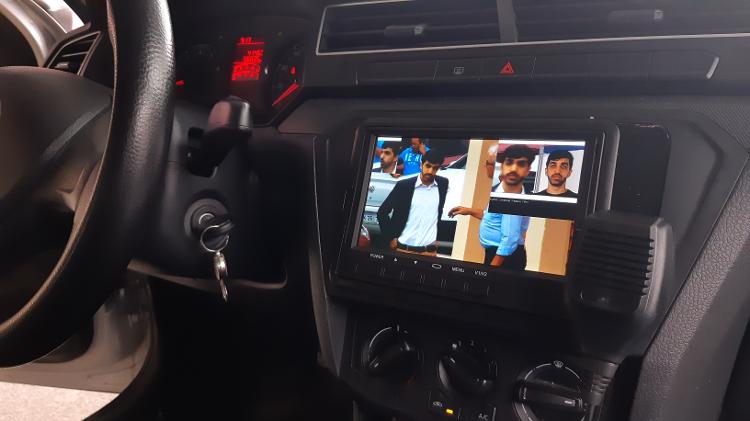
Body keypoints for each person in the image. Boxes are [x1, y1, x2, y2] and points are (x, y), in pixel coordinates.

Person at [449, 144, 535, 269]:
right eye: (509, 162)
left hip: (505, 258)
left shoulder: (513, 199)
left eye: (521, 164)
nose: (513, 169)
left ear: (528, 170)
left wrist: (490, 270)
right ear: (502, 166)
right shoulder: (499, 190)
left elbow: (509, 241)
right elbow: (495, 217)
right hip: (497, 254)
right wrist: (469, 211)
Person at [377, 150, 449, 256]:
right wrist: (390, 238)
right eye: (428, 166)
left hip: (429, 252)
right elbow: (382, 212)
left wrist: (438, 239)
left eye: (435, 168)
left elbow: (439, 211)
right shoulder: (404, 186)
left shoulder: (443, 184)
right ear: (421, 165)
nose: (430, 171)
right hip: (403, 250)